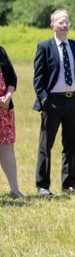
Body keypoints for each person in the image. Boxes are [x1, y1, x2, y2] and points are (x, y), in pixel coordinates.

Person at [33, 9, 75, 197]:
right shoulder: (44, 47)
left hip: (74, 101)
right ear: (52, 26)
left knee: (71, 145)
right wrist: (44, 100)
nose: (65, 25)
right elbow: (38, 78)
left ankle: (68, 185)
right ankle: (42, 186)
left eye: (67, 22)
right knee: (46, 145)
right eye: (60, 22)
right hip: (52, 102)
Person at [0, 46, 24, 198]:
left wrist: (8, 96)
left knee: (7, 148)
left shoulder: (0, 51)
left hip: (5, 108)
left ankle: (15, 190)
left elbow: (12, 77)